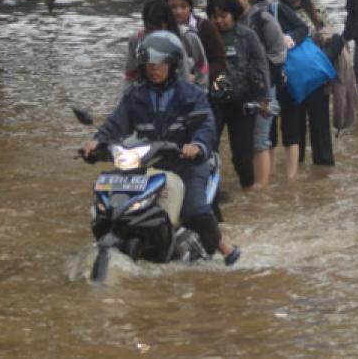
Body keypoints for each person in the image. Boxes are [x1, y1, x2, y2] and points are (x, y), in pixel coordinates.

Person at [81, 31, 240, 265]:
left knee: (195, 210)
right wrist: (96, 142)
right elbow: (115, 124)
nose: (154, 69)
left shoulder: (191, 95)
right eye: (149, 65)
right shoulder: (134, 95)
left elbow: (206, 126)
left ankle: (224, 248)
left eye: (160, 64)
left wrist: (195, 146)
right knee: (111, 204)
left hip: (184, 163)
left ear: (173, 64)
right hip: (146, 162)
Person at [273, 0, 341, 180]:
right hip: (289, 79)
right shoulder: (274, 13)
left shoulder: (316, 11)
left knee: (321, 127)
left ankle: (323, 174)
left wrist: (326, 45)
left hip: (316, 78)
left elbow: (334, 36)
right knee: (294, 130)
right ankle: (297, 170)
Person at [223, 0, 286, 190]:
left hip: (263, 88)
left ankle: (261, 189)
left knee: (260, 139)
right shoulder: (225, 21)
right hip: (237, 91)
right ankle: (253, 183)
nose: (232, 0)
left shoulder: (262, 18)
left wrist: (259, 72)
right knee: (244, 140)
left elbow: (279, 52)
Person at [205, 0, 270, 191]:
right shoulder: (204, 36)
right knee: (207, 151)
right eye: (214, 17)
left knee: (242, 156)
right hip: (212, 103)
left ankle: (248, 191)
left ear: (234, 14)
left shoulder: (247, 36)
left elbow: (260, 65)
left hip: (242, 103)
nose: (218, 21)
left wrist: (263, 98)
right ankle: (211, 192)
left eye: (223, 16)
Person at [123, 0, 207, 91]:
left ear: (167, 23)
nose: (155, 34)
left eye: (159, 28)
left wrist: (200, 90)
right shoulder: (136, 40)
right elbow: (130, 76)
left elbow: (202, 65)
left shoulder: (186, 37)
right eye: (150, 29)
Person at [166, 0, 226, 91]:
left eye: (183, 6)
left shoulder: (204, 27)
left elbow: (220, 62)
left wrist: (197, 77)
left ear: (190, 7)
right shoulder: (162, 29)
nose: (178, 12)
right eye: (173, 7)